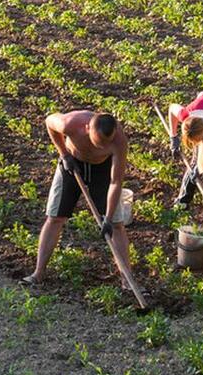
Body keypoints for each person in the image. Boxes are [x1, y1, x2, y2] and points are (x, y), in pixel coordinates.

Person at [22, 110, 135, 287]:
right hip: (72, 163)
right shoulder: (71, 123)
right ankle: (38, 273)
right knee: (55, 218)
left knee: (117, 225)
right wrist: (64, 154)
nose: (100, 148)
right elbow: (49, 122)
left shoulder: (119, 141)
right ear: (87, 128)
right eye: (96, 143)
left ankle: (127, 280)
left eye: (104, 145)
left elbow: (116, 182)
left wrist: (108, 217)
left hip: (102, 171)